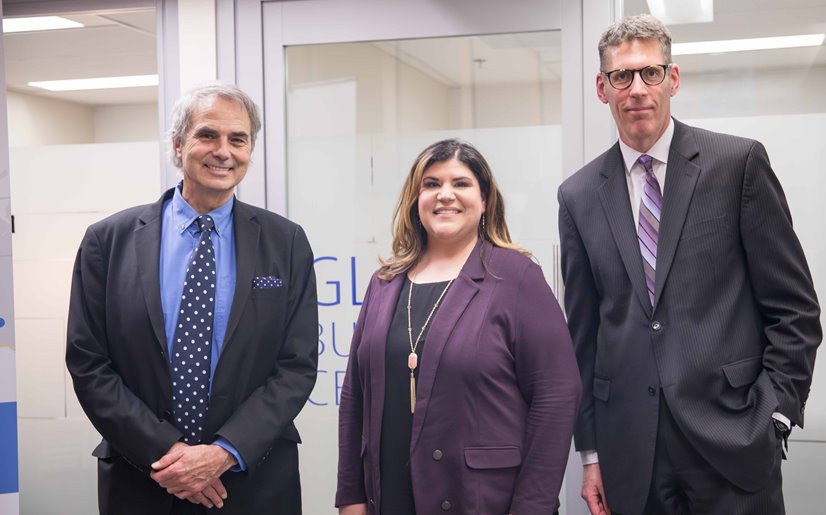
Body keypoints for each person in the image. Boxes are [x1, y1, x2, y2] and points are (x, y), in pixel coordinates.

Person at [557, 14, 823, 515]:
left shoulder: (736, 165)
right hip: (631, 453)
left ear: (672, 79)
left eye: (650, 73)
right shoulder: (578, 197)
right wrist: (590, 453)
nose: (637, 89)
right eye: (622, 76)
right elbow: (584, 336)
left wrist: (777, 415)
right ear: (602, 88)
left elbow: (795, 310)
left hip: (733, 441)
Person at [66, 82, 319, 515]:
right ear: (179, 144)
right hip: (142, 479)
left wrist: (221, 453)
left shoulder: (285, 242)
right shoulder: (108, 242)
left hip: (252, 480)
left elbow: (296, 366)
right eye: (207, 135)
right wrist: (172, 456)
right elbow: (89, 364)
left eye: (238, 139)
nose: (223, 151)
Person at [335, 139, 581, 514]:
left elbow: (556, 397)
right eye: (431, 184)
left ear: (484, 201)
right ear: (415, 202)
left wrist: (533, 506)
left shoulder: (517, 278)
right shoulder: (384, 283)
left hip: (482, 500)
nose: (444, 195)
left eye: (461, 184)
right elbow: (355, 396)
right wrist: (351, 496)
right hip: (389, 499)